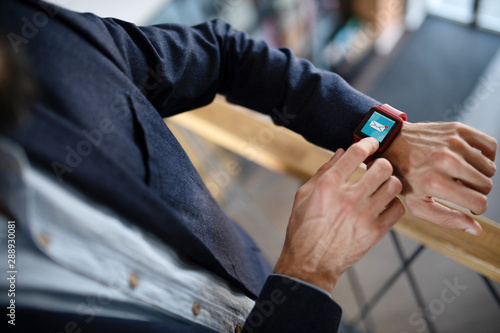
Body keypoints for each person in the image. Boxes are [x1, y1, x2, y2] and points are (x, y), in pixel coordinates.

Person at [0, 0, 496, 332]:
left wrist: (381, 134)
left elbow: (225, 55)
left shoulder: (27, 36)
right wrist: (308, 276)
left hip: (270, 283)